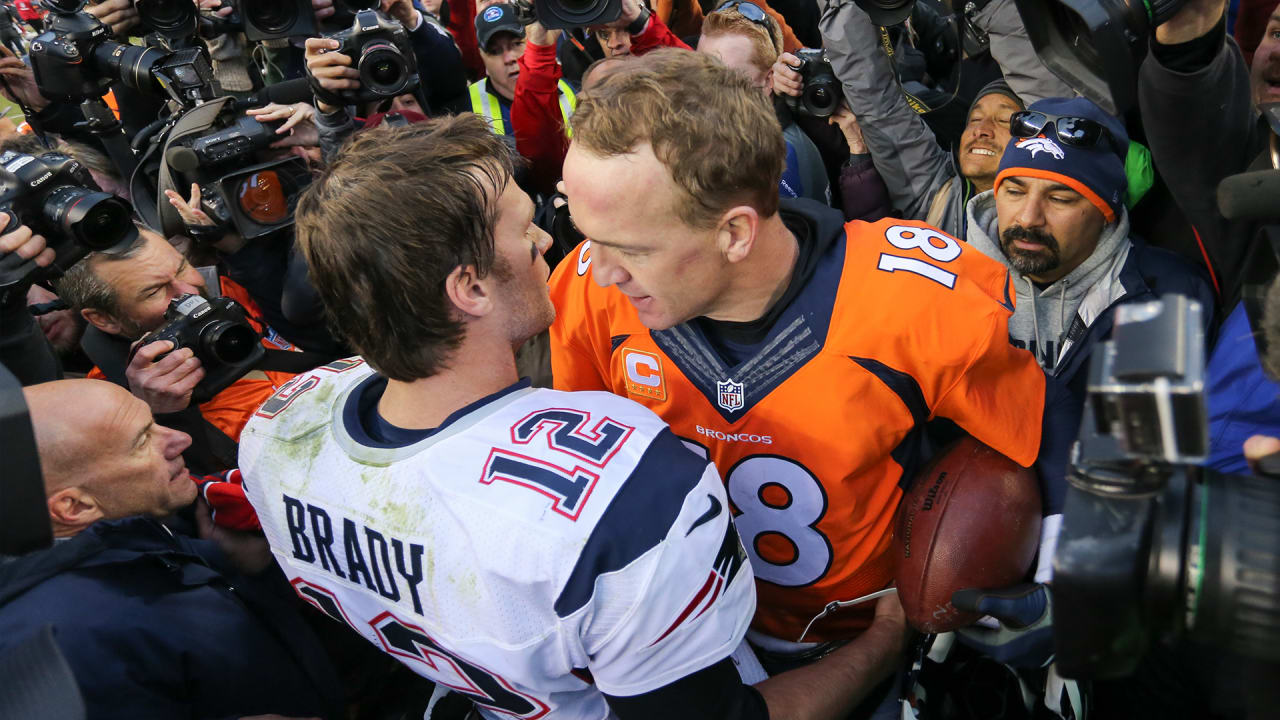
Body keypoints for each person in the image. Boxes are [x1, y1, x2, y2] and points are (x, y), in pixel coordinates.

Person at [549, 48, 1046, 715]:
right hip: (680, 647)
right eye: (585, 234)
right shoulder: (587, 290)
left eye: (630, 248)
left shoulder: (915, 300)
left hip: (856, 636)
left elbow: (1043, 444)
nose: (598, 268)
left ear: (734, 233)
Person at [0, 378, 342, 720]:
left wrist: (231, 564)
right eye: (141, 441)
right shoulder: (65, 658)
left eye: (153, 422)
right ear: (74, 507)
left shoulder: (121, 527)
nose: (180, 438)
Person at [1138, 0, 1280, 475]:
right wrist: (1192, 31)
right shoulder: (1249, 186)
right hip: (1208, 511)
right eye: (1276, 33)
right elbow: (1199, 118)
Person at [801, 0, 1074, 239]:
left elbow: (1047, 98)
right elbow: (876, 99)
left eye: (1004, 121)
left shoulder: (1068, 185)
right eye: (974, 120)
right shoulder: (935, 197)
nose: (981, 130)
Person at [54, 227, 300, 472]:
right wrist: (161, 415)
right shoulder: (109, 406)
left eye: (182, 267)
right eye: (154, 291)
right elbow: (198, 500)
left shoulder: (232, 290)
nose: (190, 293)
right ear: (104, 319)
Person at [697, 1, 829, 204]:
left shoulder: (777, 164)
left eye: (727, 78)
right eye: (702, 72)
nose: (707, 89)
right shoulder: (732, 137)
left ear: (769, 80)